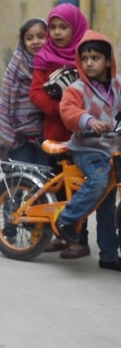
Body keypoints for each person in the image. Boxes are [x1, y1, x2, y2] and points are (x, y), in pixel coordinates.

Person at [56, 31, 121, 271]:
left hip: (113, 150)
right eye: (85, 58)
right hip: (87, 148)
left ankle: (109, 255)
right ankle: (67, 219)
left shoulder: (118, 85)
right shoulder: (76, 89)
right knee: (99, 179)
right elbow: (68, 111)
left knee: (107, 203)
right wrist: (89, 121)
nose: (89, 63)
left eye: (95, 58)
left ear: (108, 60)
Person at [30, 3, 90, 257]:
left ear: (75, 28)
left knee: (78, 187)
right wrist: (61, 108)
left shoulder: (87, 56)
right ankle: (59, 235)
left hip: (81, 135)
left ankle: (79, 240)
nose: (56, 32)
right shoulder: (44, 58)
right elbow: (35, 93)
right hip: (54, 134)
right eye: (53, 27)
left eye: (63, 27)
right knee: (55, 184)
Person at [0, 17, 48, 163]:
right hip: (20, 138)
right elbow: (6, 101)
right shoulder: (16, 65)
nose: (35, 41)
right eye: (29, 38)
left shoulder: (54, 64)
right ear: (23, 43)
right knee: (22, 181)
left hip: (49, 137)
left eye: (41, 36)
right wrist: (7, 133)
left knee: (46, 182)